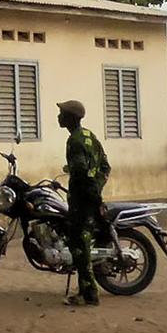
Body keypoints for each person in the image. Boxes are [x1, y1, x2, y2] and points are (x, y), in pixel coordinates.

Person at [56, 99, 111, 307]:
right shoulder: (89, 136)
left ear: (70, 118)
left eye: (62, 114)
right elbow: (105, 166)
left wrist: (92, 194)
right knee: (81, 244)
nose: (58, 117)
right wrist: (98, 187)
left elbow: (81, 174)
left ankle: (89, 293)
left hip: (83, 201)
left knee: (80, 247)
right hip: (90, 197)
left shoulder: (75, 141)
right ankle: (87, 290)